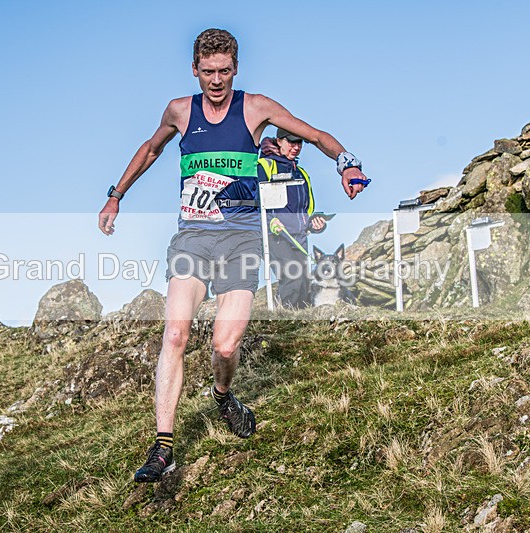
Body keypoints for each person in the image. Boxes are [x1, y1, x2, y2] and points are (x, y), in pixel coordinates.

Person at [97, 28, 369, 483]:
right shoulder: (180, 111)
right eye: (208, 72)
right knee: (176, 334)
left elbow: (316, 134)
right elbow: (150, 149)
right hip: (193, 238)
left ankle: (223, 395)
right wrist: (115, 195)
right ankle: (163, 445)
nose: (216, 81)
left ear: (236, 69)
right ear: (195, 69)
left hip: (241, 240)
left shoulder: (256, 108)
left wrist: (348, 162)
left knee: (225, 344)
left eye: (224, 71)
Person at [258, 129, 328, 309]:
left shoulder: (302, 173)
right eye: (291, 142)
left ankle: (302, 325)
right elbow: (255, 202)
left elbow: (306, 209)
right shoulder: (264, 166)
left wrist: (314, 222)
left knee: (304, 282)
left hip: (299, 236)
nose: (296, 147)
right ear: (279, 141)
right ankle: (283, 321)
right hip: (274, 235)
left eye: (300, 143)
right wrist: (269, 221)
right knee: (292, 276)